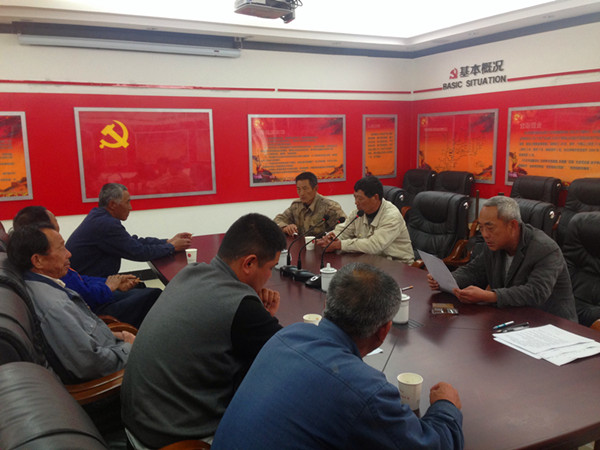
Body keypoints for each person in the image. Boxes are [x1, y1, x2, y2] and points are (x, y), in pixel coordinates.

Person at [212, 263, 464, 449]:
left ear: (326, 307)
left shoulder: (287, 335)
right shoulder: (365, 392)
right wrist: (446, 407)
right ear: (384, 330)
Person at [121, 213, 287, 447]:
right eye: (271, 268)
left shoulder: (190, 273)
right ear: (249, 263)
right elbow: (288, 358)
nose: (270, 277)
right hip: (174, 438)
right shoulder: (241, 306)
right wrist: (261, 316)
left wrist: (261, 315)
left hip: (138, 423)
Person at [7, 224, 134, 383]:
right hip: (116, 375)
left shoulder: (43, 285)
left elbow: (84, 336)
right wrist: (129, 347)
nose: (69, 254)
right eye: (61, 248)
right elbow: (92, 363)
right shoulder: (55, 306)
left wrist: (118, 336)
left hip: (112, 349)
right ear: (38, 260)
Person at [428, 196, 577, 321]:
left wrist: (490, 296)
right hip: (513, 318)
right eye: (481, 227)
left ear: (512, 225)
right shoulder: (494, 244)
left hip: (552, 325)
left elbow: (536, 292)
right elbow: (474, 271)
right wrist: (446, 280)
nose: (484, 234)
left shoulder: (545, 249)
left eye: (490, 227)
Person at [12, 206, 160, 328]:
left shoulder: (48, 262)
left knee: (140, 288)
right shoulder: (50, 270)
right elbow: (84, 296)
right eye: (55, 219)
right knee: (153, 295)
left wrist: (112, 282)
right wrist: (108, 287)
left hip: (96, 296)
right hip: (95, 310)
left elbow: (81, 280)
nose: (68, 253)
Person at [66, 183, 192, 277]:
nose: (130, 207)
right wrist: (172, 247)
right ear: (112, 204)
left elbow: (131, 242)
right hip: (89, 288)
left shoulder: (99, 216)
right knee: (154, 295)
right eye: (127, 202)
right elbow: (139, 252)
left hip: (91, 282)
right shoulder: (106, 224)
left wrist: (167, 241)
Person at [317, 175, 414, 264]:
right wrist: (332, 237)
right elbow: (344, 231)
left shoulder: (392, 216)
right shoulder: (358, 213)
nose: (356, 202)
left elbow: (374, 245)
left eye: (360, 198)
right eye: (355, 197)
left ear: (375, 197)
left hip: (398, 264)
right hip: (371, 260)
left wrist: (340, 245)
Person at [274, 171, 346, 237]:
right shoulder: (296, 206)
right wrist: (285, 227)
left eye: (305, 188)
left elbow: (345, 228)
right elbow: (277, 220)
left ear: (315, 188)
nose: (301, 193)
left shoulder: (329, 207)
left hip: (323, 245)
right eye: (298, 189)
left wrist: (330, 237)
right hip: (301, 245)